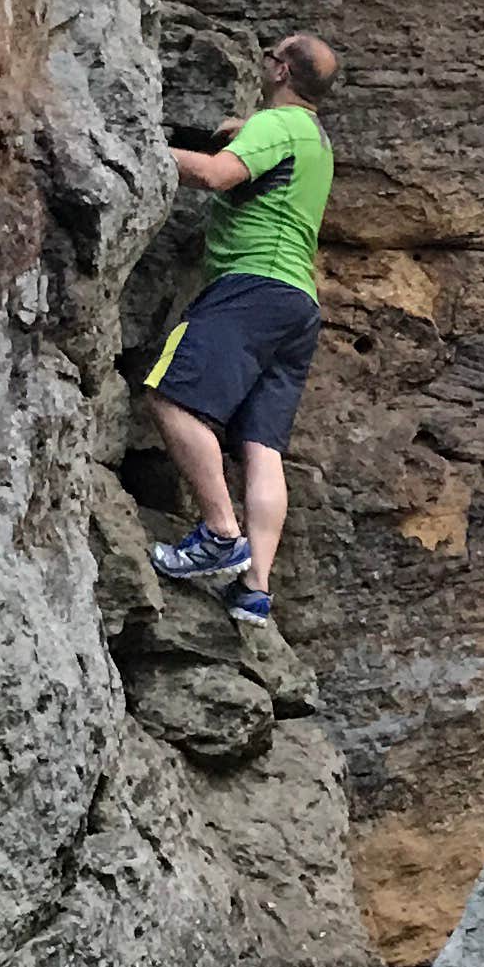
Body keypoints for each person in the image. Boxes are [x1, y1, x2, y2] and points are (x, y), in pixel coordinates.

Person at [141, 31, 340, 627]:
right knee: (261, 446)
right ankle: (255, 588)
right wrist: (246, 128)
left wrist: (142, 146)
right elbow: (269, 160)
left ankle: (220, 534)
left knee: (170, 396)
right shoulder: (316, 140)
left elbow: (216, 175)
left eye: (271, 54)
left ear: (281, 71)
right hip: (297, 305)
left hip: (251, 286)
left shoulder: (277, 125)